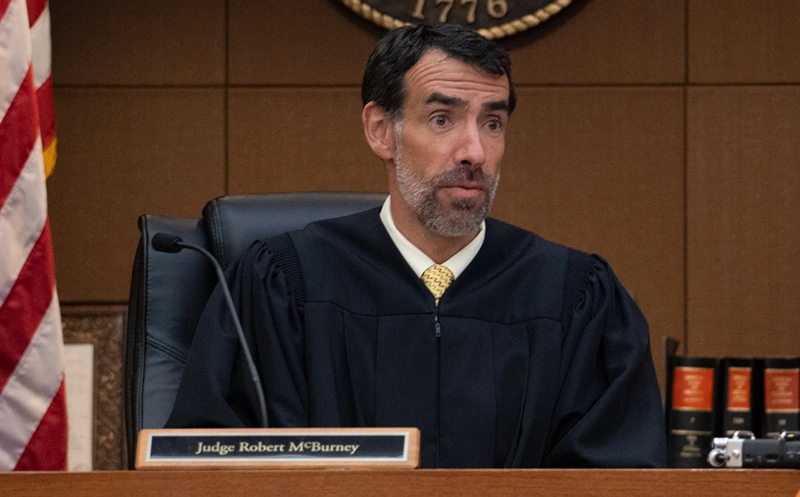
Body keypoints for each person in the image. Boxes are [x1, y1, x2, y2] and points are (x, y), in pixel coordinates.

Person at [166, 23, 667, 468]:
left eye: (492, 123)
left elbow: (616, 477)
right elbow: (210, 467)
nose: (474, 151)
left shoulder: (574, 296)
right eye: (443, 119)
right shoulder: (285, 283)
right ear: (381, 131)